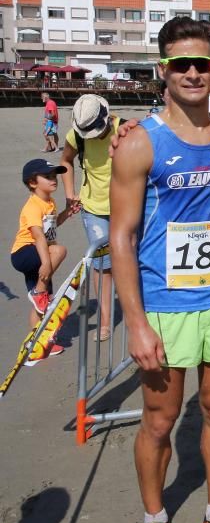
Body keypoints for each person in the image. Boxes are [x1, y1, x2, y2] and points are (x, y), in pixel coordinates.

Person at [110, 16, 210, 523]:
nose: (193, 73)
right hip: (164, 308)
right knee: (159, 422)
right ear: (163, 72)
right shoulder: (141, 143)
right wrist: (137, 323)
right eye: (181, 65)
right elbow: (120, 238)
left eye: (203, 63)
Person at [60, 94, 121, 341]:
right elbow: (65, 161)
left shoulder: (124, 129)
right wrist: (69, 194)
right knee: (102, 265)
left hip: (126, 207)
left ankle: (143, 311)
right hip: (93, 207)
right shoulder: (75, 136)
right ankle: (106, 321)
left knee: (134, 258)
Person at [10, 159, 77, 363]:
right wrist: (46, 263)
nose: (53, 180)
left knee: (42, 306)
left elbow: (51, 227)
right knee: (59, 250)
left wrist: (67, 213)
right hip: (24, 253)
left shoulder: (49, 203)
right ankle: (38, 291)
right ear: (32, 182)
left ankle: (37, 343)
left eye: (54, 176)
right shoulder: (33, 206)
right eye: (47, 177)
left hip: (38, 253)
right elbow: (39, 236)